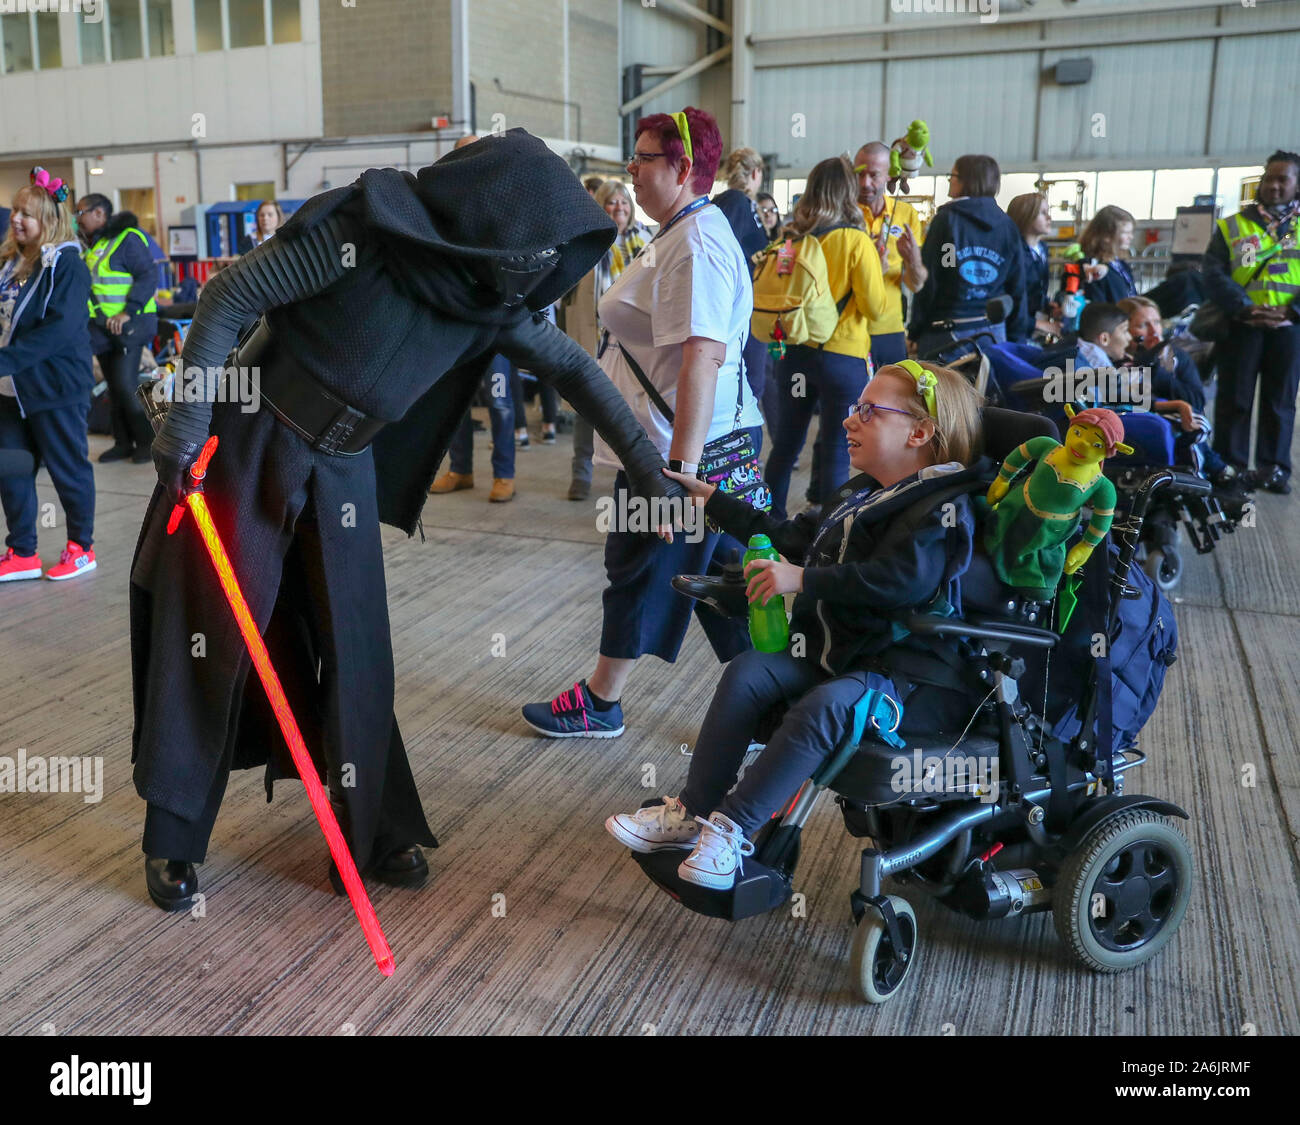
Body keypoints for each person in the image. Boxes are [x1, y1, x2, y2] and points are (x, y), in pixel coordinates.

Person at [131, 129, 681, 913]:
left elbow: (573, 369)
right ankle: (172, 838)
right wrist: (186, 428)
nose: (539, 269)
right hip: (253, 435)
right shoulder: (363, 232)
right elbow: (228, 297)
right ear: (492, 221)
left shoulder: (489, 300)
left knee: (361, 651)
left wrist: (650, 471)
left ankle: (371, 827)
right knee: (214, 632)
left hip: (344, 464)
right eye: (536, 248)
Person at [604, 361, 984, 889]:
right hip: (843, 654)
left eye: (869, 411)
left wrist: (803, 581)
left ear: (920, 432)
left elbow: (900, 583)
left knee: (822, 708)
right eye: (855, 409)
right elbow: (789, 535)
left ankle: (733, 829)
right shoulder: (862, 494)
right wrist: (714, 501)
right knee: (748, 672)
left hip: (903, 675)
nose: (850, 420)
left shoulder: (944, 510)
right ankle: (694, 811)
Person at [521, 107, 763, 739]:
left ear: (682, 168)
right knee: (731, 578)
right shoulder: (679, 233)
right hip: (694, 446)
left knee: (641, 566)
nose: (630, 170)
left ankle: (602, 701)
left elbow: (702, 356)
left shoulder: (699, 243)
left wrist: (674, 477)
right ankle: (775, 698)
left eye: (642, 158)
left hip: (681, 451)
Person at [763, 156, 888, 519]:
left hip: (793, 354)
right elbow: (876, 309)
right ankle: (824, 538)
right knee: (836, 446)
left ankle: (767, 526)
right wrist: (876, 268)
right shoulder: (856, 240)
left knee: (785, 444)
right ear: (848, 191)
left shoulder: (791, 239)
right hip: (843, 358)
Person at [0, 170, 97, 582]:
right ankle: (22, 551)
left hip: (55, 387)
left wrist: (4, 361)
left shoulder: (67, 265)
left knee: (67, 469)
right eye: (16, 210)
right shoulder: (9, 262)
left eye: (28, 213)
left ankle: (81, 547)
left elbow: (58, 329)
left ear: (50, 220)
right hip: (9, 390)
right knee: (11, 468)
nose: (17, 218)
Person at [1202, 150, 1300, 494]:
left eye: (1282, 179)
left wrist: (1292, 311)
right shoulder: (1233, 225)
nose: (1273, 186)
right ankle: (1231, 467)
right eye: (1268, 179)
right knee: (1235, 399)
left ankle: (1273, 469)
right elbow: (1212, 273)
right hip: (1242, 325)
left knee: (1280, 401)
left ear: (1296, 184)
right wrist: (1244, 307)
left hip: (1289, 330)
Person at [568, 180, 650, 500]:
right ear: (600, 206)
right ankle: (580, 474)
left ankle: (635, 474)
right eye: (612, 203)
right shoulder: (588, 240)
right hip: (595, 337)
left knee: (634, 411)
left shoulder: (647, 240)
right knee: (586, 408)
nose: (619, 209)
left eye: (624, 203)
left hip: (634, 342)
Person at [908, 154, 1027, 357]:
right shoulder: (1007, 226)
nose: (949, 180)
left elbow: (934, 280)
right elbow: (1017, 286)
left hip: (946, 331)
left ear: (966, 180)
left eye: (952, 175)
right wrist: (1018, 338)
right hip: (993, 333)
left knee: (943, 389)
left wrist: (916, 329)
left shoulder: (947, 221)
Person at [75, 193, 159, 464]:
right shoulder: (96, 245)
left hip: (129, 325)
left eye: (81, 213)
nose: (77, 219)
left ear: (99, 213)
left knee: (125, 384)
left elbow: (148, 275)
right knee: (112, 386)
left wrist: (128, 311)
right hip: (101, 328)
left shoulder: (127, 239)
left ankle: (147, 442)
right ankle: (123, 442)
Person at [854, 141, 928, 367]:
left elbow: (916, 284)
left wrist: (913, 260)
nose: (865, 183)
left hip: (889, 329)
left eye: (874, 175)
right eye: (859, 174)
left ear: (890, 175)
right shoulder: (842, 212)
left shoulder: (906, 215)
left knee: (890, 400)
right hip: (848, 329)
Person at [711, 147, 771, 416]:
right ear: (756, 173)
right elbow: (725, 251)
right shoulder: (734, 201)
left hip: (751, 306)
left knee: (754, 383)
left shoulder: (744, 204)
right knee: (749, 383)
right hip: (740, 310)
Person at [1007, 191, 1055, 337]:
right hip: (1014, 328)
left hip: (1031, 319)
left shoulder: (1042, 250)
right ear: (1025, 216)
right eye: (1043, 213)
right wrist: (1037, 324)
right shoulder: (1013, 252)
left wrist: (1048, 306)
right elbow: (1010, 298)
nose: (1049, 218)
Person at [1079, 205, 1137, 305]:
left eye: (1131, 232)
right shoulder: (1091, 267)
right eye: (1125, 233)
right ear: (1106, 235)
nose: (1131, 237)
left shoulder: (1120, 264)